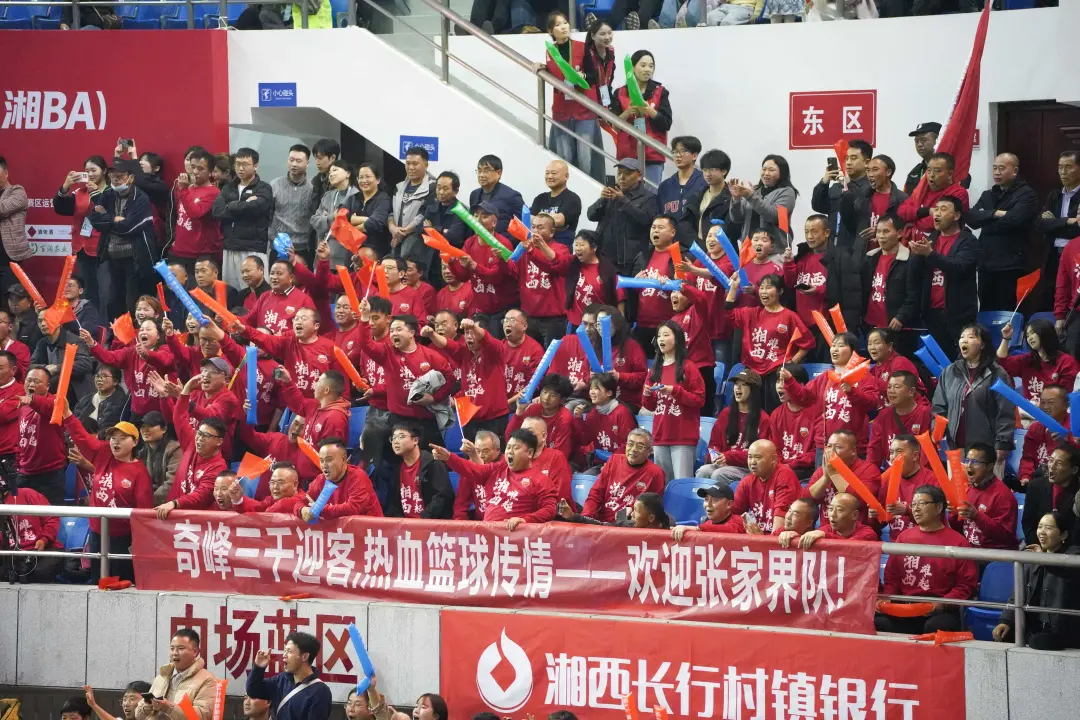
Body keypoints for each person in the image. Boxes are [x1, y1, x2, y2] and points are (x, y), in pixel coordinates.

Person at [876, 485, 979, 634]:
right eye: (913, 505)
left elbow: (966, 585)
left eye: (922, 504)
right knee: (878, 621)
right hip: (906, 607)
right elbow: (892, 576)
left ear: (938, 507)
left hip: (940, 608)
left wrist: (942, 604)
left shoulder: (958, 542)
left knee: (934, 626)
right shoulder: (904, 538)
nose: (916, 509)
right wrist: (888, 598)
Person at [63, 411, 152, 582]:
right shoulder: (104, 453)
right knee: (98, 579)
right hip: (96, 531)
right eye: (113, 438)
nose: (116, 441)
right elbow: (82, 437)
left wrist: (139, 543)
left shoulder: (140, 473)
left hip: (122, 538)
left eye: (122, 438)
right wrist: (67, 414)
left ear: (135, 442)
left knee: (119, 581)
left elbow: (143, 512)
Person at [724, 273, 813, 410]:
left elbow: (808, 342)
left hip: (775, 372)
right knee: (751, 412)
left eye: (769, 287)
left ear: (780, 291)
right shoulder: (751, 313)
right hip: (752, 372)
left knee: (774, 412)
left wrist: (792, 361)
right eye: (761, 288)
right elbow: (727, 315)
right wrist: (734, 288)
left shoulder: (789, 316)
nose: (764, 291)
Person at [434, 428, 557, 528]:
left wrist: (525, 520)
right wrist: (449, 457)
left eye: (515, 448)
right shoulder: (497, 469)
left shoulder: (541, 480)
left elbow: (550, 509)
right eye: (508, 447)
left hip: (515, 538)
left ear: (529, 453)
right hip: (488, 535)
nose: (510, 452)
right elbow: (474, 469)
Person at [993, 511, 1080, 650]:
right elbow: (1017, 596)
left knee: (1037, 642)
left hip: (1062, 629)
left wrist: (1042, 560)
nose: (1042, 532)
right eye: (1040, 527)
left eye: (1049, 528)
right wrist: (1006, 621)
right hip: (1034, 626)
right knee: (1004, 635)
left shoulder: (1073, 555)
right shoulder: (1033, 556)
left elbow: (1065, 570)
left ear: (1063, 535)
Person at [966, 153, 1039, 311]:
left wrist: (986, 218)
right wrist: (996, 213)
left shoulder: (1026, 194)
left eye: (1002, 168)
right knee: (986, 310)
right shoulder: (988, 194)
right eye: (994, 168)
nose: (997, 172)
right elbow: (971, 218)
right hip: (986, 263)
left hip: (1011, 265)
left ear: (1015, 171)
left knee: (1008, 311)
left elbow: (1015, 219)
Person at [89, 158, 160, 320]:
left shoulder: (140, 198)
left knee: (132, 300)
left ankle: (135, 332)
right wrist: (114, 219)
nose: (115, 180)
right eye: (112, 176)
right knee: (113, 301)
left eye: (120, 176)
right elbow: (94, 219)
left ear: (131, 178)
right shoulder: (108, 194)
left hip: (135, 259)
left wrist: (107, 219)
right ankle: (116, 333)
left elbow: (129, 227)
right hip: (112, 256)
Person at [151, 374, 229, 519]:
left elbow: (200, 496)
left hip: (194, 523)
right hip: (171, 515)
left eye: (206, 436)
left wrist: (175, 503)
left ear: (219, 442)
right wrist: (185, 390)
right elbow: (179, 417)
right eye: (199, 433)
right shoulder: (192, 443)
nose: (199, 439)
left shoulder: (218, 467)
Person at [933, 324, 1015, 460]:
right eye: (962, 337)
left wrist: (1003, 442)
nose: (964, 340)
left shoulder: (997, 373)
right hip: (954, 449)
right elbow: (939, 407)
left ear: (982, 344)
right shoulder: (950, 372)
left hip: (986, 451)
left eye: (971, 337)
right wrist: (937, 430)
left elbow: (1005, 411)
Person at [911, 196, 978, 358]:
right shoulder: (931, 240)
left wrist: (930, 254)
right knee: (937, 360)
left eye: (943, 209)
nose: (937, 213)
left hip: (958, 313)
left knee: (961, 359)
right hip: (932, 312)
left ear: (956, 216)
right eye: (936, 209)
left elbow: (959, 267)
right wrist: (916, 255)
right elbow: (916, 274)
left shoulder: (968, 240)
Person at [423, 317, 508, 440]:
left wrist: (473, 326)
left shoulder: (495, 351)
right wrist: (432, 335)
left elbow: (487, 339)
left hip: (494, 417)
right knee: (469, 451)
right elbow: (448, 344)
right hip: (469, 417)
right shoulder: (464, 353)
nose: (469, 337)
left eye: (473, 333)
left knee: (492, 451)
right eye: (467, 333)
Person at [641, 321, 704, 481]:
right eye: (659, 336)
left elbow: (699, 400)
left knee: (681, 484)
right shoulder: (655, 369)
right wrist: (647, 395)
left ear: (677, 339)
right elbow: (650, 406)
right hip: (660, 434)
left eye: (666, 335)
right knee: (663, 484)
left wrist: (674, 391)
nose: (661, 339)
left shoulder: (689, 367)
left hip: (683, 436)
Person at [545, 13, 604, 183]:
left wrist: (582, 75)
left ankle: (586, 189)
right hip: (562, 111)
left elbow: (593, 76)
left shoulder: (581, 47)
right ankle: (566, 191)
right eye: (558, 25)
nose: (564, 27)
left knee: (586, 158)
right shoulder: (550, 51)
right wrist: (542, 67)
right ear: (550, 31)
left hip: (583, 110)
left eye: (565, 23)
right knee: (564, 158)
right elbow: (554, 75)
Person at [82, 319, 172, 424]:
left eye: (148, 329)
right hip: (137, 410)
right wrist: (92, 343)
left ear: (158, 335)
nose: (143, 332)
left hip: (159, 411)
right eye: (141, 330)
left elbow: (164, 360)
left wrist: (146, 354)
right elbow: (109, 357)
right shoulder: (131, 351)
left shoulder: (166, 349)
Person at [449, 203, 517, 336]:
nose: (478, 220)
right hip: (481, 309)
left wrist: (473, 265)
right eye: (475, 216)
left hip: (502, 310)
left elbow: (495, 277)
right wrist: (452, 263)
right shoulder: (469, 242)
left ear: (494, 222)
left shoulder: (502, 244)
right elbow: (463, 277)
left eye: (484, 216)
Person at [211, 149, 274, 290]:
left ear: (255, 166)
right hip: (229, 247)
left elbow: (254, 209)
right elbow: (217, 211)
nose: (240, 168)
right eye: (237, 164)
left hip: (253, 247)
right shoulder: (228, 188)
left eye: (245, 164)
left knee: (256, 290)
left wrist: (230, 206)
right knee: (230, 291)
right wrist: (242, 204)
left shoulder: (264, 188)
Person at [698, 367, 770, 486]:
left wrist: (729, 457)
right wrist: (715, 456)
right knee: (703, 471)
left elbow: (760, 454)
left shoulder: (763, 419)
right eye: (736, 384)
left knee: (719, 474)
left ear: (753, 390)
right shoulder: (726, 414)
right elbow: (714, 444)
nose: (738, 388)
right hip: (724, 463)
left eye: (743, 385)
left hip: (747, 468)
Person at [54, 155, 109, 309]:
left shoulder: (111, 192)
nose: (90, 174)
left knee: (106, 292)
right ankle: (88, 321)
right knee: (87, 291)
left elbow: (108, 213)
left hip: (104, 249)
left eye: (94, 170)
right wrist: (65, 187)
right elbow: (60, 208)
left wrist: (95, 194)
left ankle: (105, 323)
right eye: (87, 171)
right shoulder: (79, 192)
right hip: (82, 248)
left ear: (104, 171)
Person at [610, 50, 672, 188]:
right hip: (627, 156)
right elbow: (614, 126)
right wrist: (627, 112)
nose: (647, 69)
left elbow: (666, 123)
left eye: (651, 66)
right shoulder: (620, 93)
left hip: (652, 155)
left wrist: (649, 111)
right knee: (627, 195)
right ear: (632, 68)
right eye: (643, 65)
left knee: (651, 195)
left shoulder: (660, 92)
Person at [587, 158, 658, 276]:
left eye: (628, 174)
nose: (622, 177)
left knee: (629, 288)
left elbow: (647, 221)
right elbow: (591, 215)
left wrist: (623, 201)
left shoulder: (648, 198)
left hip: (631, 259)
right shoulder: (611, 193)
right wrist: (602, 200)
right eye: (619, 173)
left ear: (639, 176)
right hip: (605, 256)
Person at [580, 425, 664, 520]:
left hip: (629, 523)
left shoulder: (656, 473)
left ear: (650, 451)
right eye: (630, 444)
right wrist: (586, 517)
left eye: (640, 446)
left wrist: (632, 508)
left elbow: (652, 506)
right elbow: (596, 493)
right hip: (602, 521)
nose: (633, 449)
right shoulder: (614, 460)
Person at [948, 442, 1019, 550]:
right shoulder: (968, 489)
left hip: (995, 554)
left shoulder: (1003, 495)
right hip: (970, 551)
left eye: (975, 462)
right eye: (967, 461)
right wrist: (954, 514)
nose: (969, 466)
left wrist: (977, 516)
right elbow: (958, 529)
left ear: (989, 466)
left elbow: (1005, 536)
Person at [861, 214, 922, 338]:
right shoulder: (870, 258)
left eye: (886, 231)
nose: (881, 236)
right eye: (878, 231)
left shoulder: (910, 260)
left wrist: (901, 317)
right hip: (870, 324)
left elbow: (915, 295)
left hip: (896, 326)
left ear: (899, 233)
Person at [136, 629, 218, 720]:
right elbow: (138, 715)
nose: (175, 653)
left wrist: (168, 707)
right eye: (172, 648)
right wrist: (145, 708)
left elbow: (202, 715)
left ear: (195, 652)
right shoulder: (162, 677)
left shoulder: (207, 680)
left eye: (181, 649)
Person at [807, 429, 882, 529]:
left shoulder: (869, 470)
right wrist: (825, 478)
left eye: (838, 447)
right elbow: (808, 500)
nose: (832, 451)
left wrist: (834, 474)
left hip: (858, 532)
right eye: (829, 446)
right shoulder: (823, 470)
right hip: (826, 531)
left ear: (853, 451)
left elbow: (858, 501)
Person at [248, 632, 332, 720]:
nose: (284, 655)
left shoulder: (320, 691)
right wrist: (258, 667)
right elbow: (253, 690)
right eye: (285, 651)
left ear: (304, 656)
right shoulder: (281, 679)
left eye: (289, 651)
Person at [15, 367, 68, 504]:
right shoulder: (22, 405)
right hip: (24, 472)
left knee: (50, 513)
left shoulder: (55, 402)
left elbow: (49, 406)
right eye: (29, 380)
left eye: (37, 381)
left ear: (48, 386)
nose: (31, 384)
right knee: (22, 513)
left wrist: (32, 400)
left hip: (50, 473)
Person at [998, 319, 1080, 407]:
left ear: (1046, 332)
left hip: (1055, 412)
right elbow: (1002, 364)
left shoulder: (1067, 362)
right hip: (1029, 411)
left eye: (1033, 333)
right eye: (1027, 335)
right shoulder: (1026, 360)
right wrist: (1006, 338)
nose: (1030, 338)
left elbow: (1066, 397)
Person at [299, 438, 384, 521]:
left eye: (329, 460)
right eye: (321, 461)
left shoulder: (358, 477)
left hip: (370, 528)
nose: (324, 465)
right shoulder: (321, 479)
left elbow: (353, 508)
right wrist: (302, 510)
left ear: (343, 459)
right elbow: (302, 499)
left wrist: (320, 509)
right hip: (341, 530)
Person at [629, 215, 679, 353]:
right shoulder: (642, 256)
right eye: (653, 227)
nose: (655, 231)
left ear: (672, 232)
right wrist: (635, 283)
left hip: (668, 326)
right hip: (641, 325)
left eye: (660, 227)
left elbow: (686, 290)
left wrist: (670, 284)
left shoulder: (679, 256)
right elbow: (632, 291)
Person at [0, 470, 60, 583]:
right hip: (10, 555)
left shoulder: (28, 494)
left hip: (41, 550)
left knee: (41, 572)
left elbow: (52, 518)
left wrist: (44, 539)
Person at [1041, 150, 1080, 325]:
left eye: (1068, 167)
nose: (1063, 172)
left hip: (1075, 254)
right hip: (1053, 254)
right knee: (1052, 295)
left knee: (1073, 297)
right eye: (1060, 167)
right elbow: (1042, 225)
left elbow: (1077, 229)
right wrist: (1068, 221)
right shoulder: (1054, 195)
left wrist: (1055, 223)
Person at [812, 138, 872, 250]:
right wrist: (824, 182)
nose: (848, 162)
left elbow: (859, 211)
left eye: (853, 158)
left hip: (856, 247)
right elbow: (818, 206)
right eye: (846, 158)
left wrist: (848, 186)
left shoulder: (870, 187)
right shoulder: (837, 187)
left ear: (867, 163)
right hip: (833, 246)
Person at [729, 155, 798, 251]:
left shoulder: (787, 192)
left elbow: (774, 216)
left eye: (771, 170)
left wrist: (750, 196)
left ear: (782, 172)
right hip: (749, 250)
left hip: (774, 251)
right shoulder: (754, 190)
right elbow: (736, 219)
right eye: (764, 169)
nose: (766, 173)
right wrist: (736, 199)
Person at [731, 439, 800, 535]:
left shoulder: (784, 475)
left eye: (758, 457)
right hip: (759, 537)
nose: (752, 462)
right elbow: (733, 514)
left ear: (773, 459)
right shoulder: (748, 481)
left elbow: (781, 519)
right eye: (750, 457)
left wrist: (763, 540)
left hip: (782, 538)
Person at [386, 423, 454, 519]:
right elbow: (393, 503)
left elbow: (442, 496)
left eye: (401, 437)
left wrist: (423, 519)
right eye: (393, 438)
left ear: (415, 440)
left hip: (430, 523)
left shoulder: (433, 463)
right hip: (405, 525)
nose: (396, 441)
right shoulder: (396, 468)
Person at [783, 215, 829, 355]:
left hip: (824, 324)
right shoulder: (803, 258)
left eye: (814, 231)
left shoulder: (835, 258)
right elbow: (790, 283)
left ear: (827, 233)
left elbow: (840, 289)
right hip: (802, 324)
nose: (809, 236)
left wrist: (818, 290)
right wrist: (789, 263)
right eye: (806, 232)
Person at [866, 371, 932, 469]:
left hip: (919, 474)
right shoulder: (883, 416)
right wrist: (870, 473)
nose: (891, 391)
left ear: (911, 391)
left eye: (896, 387)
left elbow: (927, 452)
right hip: (892, 474)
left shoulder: (925, 413)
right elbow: (874, 452)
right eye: (889, 387)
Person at [898, 151, 970, 240]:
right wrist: (927, 211)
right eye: (929, 170)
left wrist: (913, 220)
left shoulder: (958, 193)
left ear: (950, 174)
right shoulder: (922, 190)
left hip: (942, 242)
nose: (931, 175)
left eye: (937, 171)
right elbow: (901, 211)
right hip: (914, 241)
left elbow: (932, 224)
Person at [764, 364, 817, 482]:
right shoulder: (776, 414)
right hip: (780, 467)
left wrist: (791, 465)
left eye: (785, 381)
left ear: (800, 386)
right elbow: (773, 447)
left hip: (805, 469)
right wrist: (780, 465)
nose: (779, 386)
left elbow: (816, 452)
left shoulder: (815, 413)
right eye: (778, 381)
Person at [171, 149, 221, 271]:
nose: (194, 172)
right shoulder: (186, 188)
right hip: (179, 251)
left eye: (200, 169)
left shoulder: (213, 193)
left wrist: (183, 190)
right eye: (193, 167)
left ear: (210, 172)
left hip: (201, 254)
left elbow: (195, 213)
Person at [845, 154, 907, 247]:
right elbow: (851, 225)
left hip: (889, 251)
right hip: (863, 252)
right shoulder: (862, 196)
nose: (870, 174)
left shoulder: (902, 199)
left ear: (888, 172)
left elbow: (904, 228)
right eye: (868, 170)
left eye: (875, 170)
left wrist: (879, 230)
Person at [391, 146, 437, 272]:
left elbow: (424, 214)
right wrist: (393, 229)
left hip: (417, 239)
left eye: (415, 164)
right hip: (396, 237)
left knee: (408, 271)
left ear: (426, 165)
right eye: (408, 163)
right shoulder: (399, 187)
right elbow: (391, 212)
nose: (411, 167)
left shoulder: (433, 187)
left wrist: (405, 231)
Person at [506, 374, 575, 458]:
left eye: (552, 395)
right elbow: (510, 438)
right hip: (528, 456)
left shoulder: (565, 418)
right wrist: (519, 411)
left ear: (562, 400)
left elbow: (560, 454)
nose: (546, 398)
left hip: (551, 460)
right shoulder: (533, 409)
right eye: (544, 392)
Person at [1018, 385, 1073, 490]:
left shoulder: (1075, 428)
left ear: (1066, 405)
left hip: (1067, 483)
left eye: (1051, 403)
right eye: (1042, 402)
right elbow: (1028, 458)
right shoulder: (1034, 428)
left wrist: (1066, 441)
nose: (1045, 407)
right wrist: (1026, 475)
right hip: (1039, 481)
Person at [573, 373, 637, 461]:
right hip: (600, 462)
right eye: (591, 388)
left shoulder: (622, 413)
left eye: (596, 388)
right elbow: (584, 441)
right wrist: (578, 419)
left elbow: (628, 444)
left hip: (620, 462)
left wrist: (611, 463)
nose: (591, 392)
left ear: (609, 393)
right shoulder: (592, 414)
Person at [1024, 445, 1080, 546]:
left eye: (1059, 463)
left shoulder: (1078, 493)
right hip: (1038, 547)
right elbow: (1028, 524)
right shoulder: (1035, 486)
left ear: (1074, 470)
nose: (1052, 466)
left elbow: (1076, 533)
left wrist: (1056, 551)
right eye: (1051, 460)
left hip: (1070, 551)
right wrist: (1039, 548)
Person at [267, 144, 313, 264]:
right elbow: (267, 215)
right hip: (278, 247)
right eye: (291, 160)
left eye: (298, 161)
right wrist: (273, 238)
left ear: (307, 163)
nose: (294, 164)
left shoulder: (313, 188)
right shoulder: (274, 185)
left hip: (304, 248)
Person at [565, 230, 620, 327]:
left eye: (582, 245)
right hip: (576, 322)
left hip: (598, 323)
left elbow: (620, 297)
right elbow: (556, 261)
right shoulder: (573, 264)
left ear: (594, 248)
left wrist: (619, 321)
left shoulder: (608, 269)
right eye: (576, 245)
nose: (578, 248)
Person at [247, 260, 315, 336]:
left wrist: (280, 337)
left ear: (291, 278)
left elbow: (307, 328)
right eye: (272, 273)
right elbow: (248, 320)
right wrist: (236, 320)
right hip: (263, 342)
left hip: (289, 343)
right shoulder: (264, 296)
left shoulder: (304, 300)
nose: (274, 277)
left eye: (279, 273)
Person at [679, 148, 732, 245]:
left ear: (724, 171)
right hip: (696, 248)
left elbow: (731, 228)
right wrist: (698, 245)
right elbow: (685, 225)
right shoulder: (697, 195)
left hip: (720, 247)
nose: (707, 174)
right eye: (705, 170)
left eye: (712, 170)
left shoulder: (731, 198)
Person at [903, 122, 972, 196]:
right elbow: (908, 198)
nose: (919, 144)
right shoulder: (914, 173)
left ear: (938, 141)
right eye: (916, 141)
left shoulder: (956, 171)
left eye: (923, 140)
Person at [531, 160, 583, 249]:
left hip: (560, 250)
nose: (549, 176)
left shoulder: (573, 198)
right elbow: (530, 219)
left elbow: (559, 220)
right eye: (547, 173)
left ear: (566, 176)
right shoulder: (540, 198)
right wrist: (547, 219)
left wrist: (538, 218)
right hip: (538, 247)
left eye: (554, 173)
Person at [468, 155, 525, 235]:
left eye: (486, 171)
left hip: (501, 241)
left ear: (498, 173)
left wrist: (502, 241)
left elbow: (522, 228)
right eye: (479, 171)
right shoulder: (474, 195)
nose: (481, 175)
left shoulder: (512, 196)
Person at [0, 156, 32, 297]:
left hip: (9, 256)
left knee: (10, 297)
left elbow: (2, 209)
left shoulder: (17, 191)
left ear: (6, 172)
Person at [499, 308, 543, 405]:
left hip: (522, 402)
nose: (508, 324)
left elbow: (533, 385)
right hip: (500, 401)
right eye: (505, 320)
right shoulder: (499, 347)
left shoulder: (535, 350)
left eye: (512, 320)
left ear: (524, 326)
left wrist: (506, 403)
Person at [671, 483, 746, 540]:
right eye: (706, 499)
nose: (708, 504)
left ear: (729, 504)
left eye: (715, 500)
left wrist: (696, 529)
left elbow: (727, 529)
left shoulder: (739, 521)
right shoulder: (707, 524)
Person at [137, 411, 182, 505]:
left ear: (164, 429)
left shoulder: (175, 449)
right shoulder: (141, 452)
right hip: (147, 503)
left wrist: (147, 501)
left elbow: (172, 483)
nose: (145, 430)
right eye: (142, 426)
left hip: (168, 505)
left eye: (150, 426)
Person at [657, 136, 706, 221]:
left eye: (683, 151)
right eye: (675, 152)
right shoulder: (664, 186)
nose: (678, 155)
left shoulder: (705, 182)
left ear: (694, 156)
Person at [73, 365, 128, 439]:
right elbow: (73, 423)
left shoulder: (122, 403)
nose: (99, 379)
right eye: (97, 376)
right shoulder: (85, 400)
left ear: (115, 381)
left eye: (104, 376)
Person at [424, 171, 469, 250]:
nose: (441, 192)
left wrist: (432, 229)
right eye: (439, 188)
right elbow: (420, 230)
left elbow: (454, 237)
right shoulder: (431, 208)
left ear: (455, 191)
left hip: (450, 253)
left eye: (445, 189)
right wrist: (443, 230)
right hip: (431, 253)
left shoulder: (461, 210)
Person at [308, 138, 340, 222]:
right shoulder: (316, 181)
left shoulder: (342, 181)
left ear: (333, 157)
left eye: (320, 158)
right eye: (315, 158)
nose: (317, 162)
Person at [7, 285, 42, 352]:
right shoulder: (6, 320)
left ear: (29, 301)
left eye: (18, 299)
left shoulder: (38, 321)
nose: (14, 303)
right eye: (11, 299)